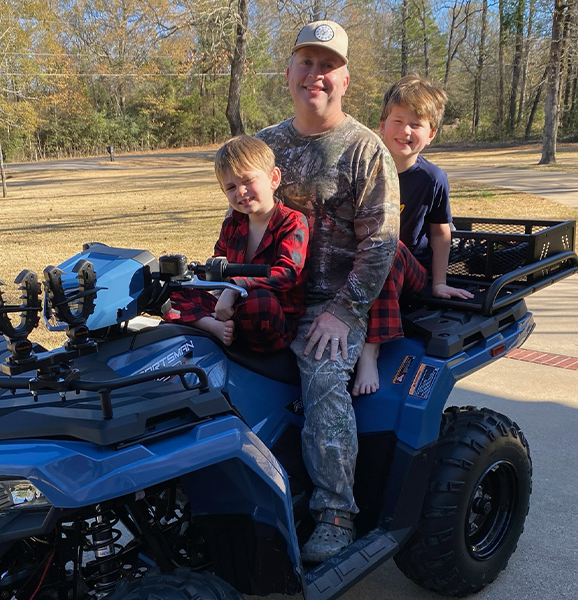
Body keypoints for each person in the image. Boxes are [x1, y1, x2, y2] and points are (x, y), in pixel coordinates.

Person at [257, 20, 399, 562]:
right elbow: (241, 217)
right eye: (306, 63)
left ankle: (336, 513)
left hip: (333, 301)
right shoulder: (265, 145)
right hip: (272, 289)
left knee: (322, 378)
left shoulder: (364, 149)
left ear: (345, 79)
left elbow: (380, 243)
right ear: (289, 71)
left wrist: (344, 311)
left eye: (328, 65)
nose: (315, 74)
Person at [352, 74, 474, 397]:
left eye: (416, 124)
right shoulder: (364, 171)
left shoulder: (432, 178)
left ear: (431, 134)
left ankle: (371, 351)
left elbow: (440, 232)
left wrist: (439, 283)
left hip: (410, 271)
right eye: (399, 121)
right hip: (364, 265)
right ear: (382, 125)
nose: (405, 131)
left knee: (388, 248)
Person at [163, 135, 309, 353]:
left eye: (248, 181)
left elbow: (287, 273)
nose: (241, 192)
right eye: (231, 187)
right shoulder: (232, 224)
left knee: (261, 304)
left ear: (273, 178)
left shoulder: (292, 222)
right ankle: (212, 326)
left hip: (272, 314)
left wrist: (235, 287)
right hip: (228, 307)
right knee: (170, 290)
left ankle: (222, 330)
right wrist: (199, 282)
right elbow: (216, 266)